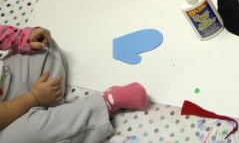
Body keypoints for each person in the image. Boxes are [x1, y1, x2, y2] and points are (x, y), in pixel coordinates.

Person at [0, 25, 148, 142]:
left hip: (6, 83)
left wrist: (21, 38)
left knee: (43, 45)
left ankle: (53, 112)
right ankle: (104, 104)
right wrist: (34, 98)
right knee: (29, 134)